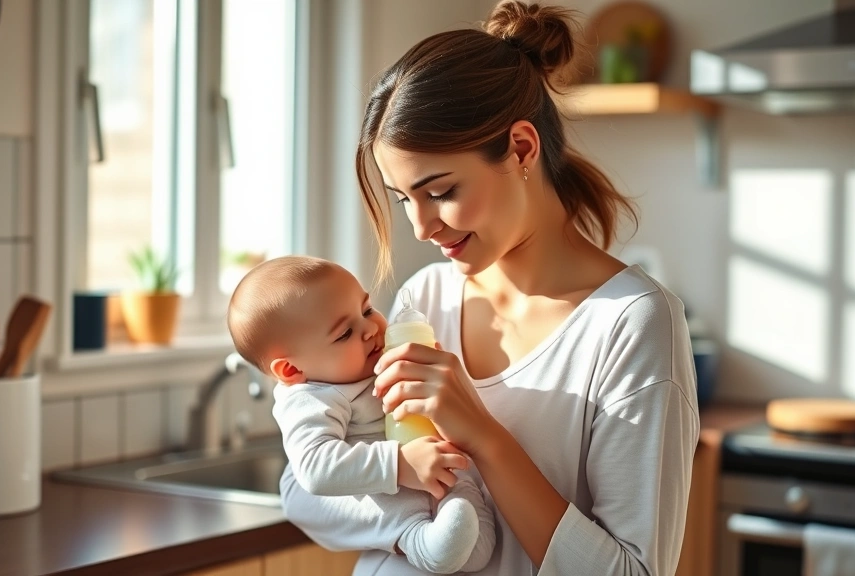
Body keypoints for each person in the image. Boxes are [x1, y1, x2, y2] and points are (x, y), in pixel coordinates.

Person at [279, 1, 701, 575]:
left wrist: (484, 436)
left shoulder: (631, 324)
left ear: (522, 148)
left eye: (440, 190)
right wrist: (411, 527)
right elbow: (304, 492)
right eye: (404, 199)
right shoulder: (421, 301)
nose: (421, 227)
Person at [227, 256, 496, 574]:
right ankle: (418, 541)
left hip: (430, 471)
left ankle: (467, 544)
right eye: (344, 334)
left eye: (367, 309)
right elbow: (316, 468)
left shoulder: (370, 362)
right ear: (292, 369)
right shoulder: (310, 397)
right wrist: (399, 464)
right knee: (387, 508)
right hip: (390, 490)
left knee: (463, 496)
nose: (371, 328)